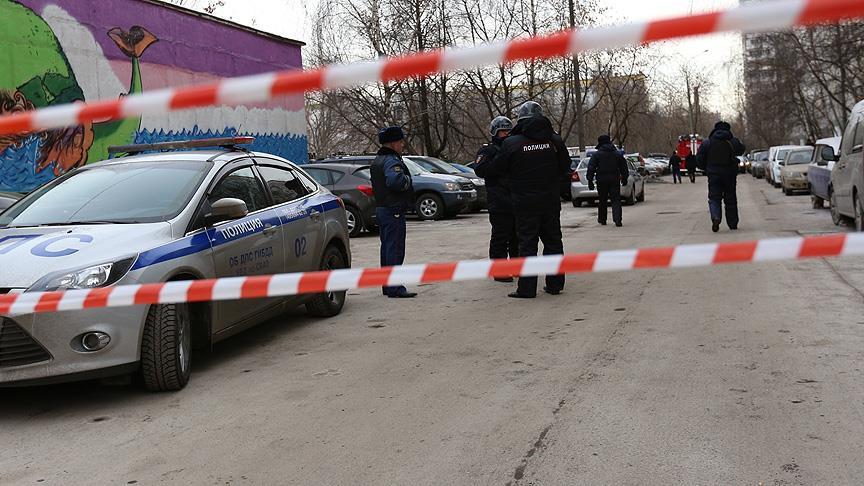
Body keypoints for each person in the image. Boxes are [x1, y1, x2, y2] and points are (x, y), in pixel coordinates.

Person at [488, 101, 570, 299]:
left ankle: (527, 288)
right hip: (550, 201)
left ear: (521, 120)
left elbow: (498, 169)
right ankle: (555, 284)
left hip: (524, 203)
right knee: (553, 242)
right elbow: (565, 166)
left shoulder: (511, 143)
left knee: (527, 244)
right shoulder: (555, 140)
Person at [370, 126, 417, 298]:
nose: (402, 145)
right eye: (400, 141)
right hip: (393, 210)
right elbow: (395, 181)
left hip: (383, 209)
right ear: (392, 143)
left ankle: (387, 285)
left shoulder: (378, 160)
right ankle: (395, 287)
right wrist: (408, 180)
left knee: (387, 248)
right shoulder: (391, 160)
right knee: (395, 249)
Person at [474, 116, 518, 283]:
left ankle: (517, 266)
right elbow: (480, 169)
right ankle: (499, 270)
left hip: (515, 199)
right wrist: (499, 163)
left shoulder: (514, 147)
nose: (505, 135)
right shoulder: (488, 151)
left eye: (507, 131)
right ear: (495, 133)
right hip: (498, 201)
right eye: (502, 132)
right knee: (500, 236)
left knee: (517, 236)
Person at [696, 121, 746, 233]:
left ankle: (716, 217)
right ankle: (732, 223)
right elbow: (742, 149)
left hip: (713, 175)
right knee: (731, 198)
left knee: (714, 197)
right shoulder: (732, 141)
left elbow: (699, 159)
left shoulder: (707, 142)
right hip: (729, 174)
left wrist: (706, 168)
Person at [586, 135, 629, 227]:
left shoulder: (597, 155)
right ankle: (617, 219)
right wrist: (624, 178)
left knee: (602, 200)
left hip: (601, 180)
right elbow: (624, 167)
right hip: (614, 179)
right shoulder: (617, 154)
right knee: (616, 200)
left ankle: (602, 219)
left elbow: (591, 167)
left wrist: (590, 180)